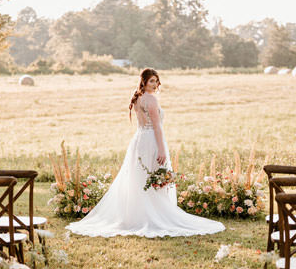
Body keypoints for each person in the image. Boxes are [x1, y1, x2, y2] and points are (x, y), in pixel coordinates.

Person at [66, 68, 225, 237]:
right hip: (152, 141)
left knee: (140, 178)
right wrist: (162, 149)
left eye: (156, 81)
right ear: (144, 81)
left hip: (139, 140)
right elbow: (156, 126)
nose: (155, 84)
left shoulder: (137, 98)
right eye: (152, 81)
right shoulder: (151, 99)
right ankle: (152, 215)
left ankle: (136, 216)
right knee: (152, 175)